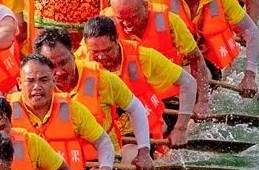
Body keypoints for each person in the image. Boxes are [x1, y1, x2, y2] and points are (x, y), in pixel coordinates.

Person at [33, 28, 154, 170]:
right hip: (63, 165)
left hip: (103, 160)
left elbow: (135, 109)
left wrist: (144, 150)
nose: (59, 71)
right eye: (52, 66)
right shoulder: (35, 92)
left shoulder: (102, 79)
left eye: (63, 62)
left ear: (73, 53)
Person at [148, 0, 259, 94]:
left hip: (207, 62)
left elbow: (251, 31)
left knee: (190, 77)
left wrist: (250, 75)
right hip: (171, 62)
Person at [10, 54, 118, 170]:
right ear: (20, 83)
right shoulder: (5, 114)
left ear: (54, 81)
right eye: (30, 81)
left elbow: (103, 141)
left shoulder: (72, 109)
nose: (37, 87)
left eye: (44, 80)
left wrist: (106, 169)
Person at [80, 15, 197, 150]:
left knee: (128, 155)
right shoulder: (78, 63)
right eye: (95, 52)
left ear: (117, 39)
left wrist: (180, 128)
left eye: (107, 50)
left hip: (139, 130)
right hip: (103, 133)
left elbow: (189, 82)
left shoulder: (145, 57)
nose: (101, 57)